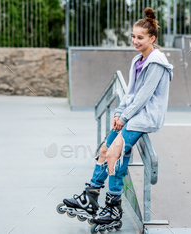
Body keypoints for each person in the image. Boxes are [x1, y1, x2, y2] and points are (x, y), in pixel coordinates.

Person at [62, 7, 173, 226]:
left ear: (152, 38)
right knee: (105, 150)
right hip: (132, 116)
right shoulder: (137, 61)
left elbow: (143, 96)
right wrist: (119, 113)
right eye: (133, 36)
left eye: (140, 37)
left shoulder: (157, 63)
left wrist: (126, 117)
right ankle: (90, 196)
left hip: (145, 117)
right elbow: (130, 92)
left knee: (115, 154)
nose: (135, 40)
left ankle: (113, 207)